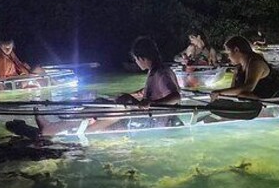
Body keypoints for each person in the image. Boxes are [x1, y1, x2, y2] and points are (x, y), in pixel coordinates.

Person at [32, 36, 180, 137]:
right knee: (103, 102)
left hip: (154, 120)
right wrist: (134, 95)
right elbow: (151, 92)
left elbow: (175, 96)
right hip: (147, 115)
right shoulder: (154, 72)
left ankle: (57, 128)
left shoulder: (162, 73)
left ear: (142, 57)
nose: (136, 63)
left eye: (136, 59)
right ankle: (63, 127)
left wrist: (149, 104)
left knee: (115, 108)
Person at [211, 35, 279, 100]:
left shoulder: (256, 63)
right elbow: (233, 89)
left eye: (228, 53)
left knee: (243, 95)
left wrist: (219, 92)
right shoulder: (238, 68)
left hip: (273, 101)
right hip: (253, 103)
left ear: (236, 50)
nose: (228, 57)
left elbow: (248, 87)